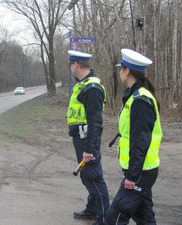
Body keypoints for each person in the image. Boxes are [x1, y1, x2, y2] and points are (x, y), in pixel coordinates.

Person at [106, 48, 162, 225]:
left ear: (127, 70)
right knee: (144, 216)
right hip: (142, 169)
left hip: (141, 171)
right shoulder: (135, 97)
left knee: (115, 216)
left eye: (120, 69)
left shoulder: (140, 101)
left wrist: (132, 176)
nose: (120, 72)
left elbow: (141, 142)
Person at [67, 50, 110, 225]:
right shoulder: (83, 85)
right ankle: (92, 209)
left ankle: (104, 218)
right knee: (87, 176)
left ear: (76, 64)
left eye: (71, 64)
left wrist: (89, 149)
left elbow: (95, 122)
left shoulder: (91, 88)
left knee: (93, 177)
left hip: (87, 139)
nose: (70, 68)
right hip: (81, 137)